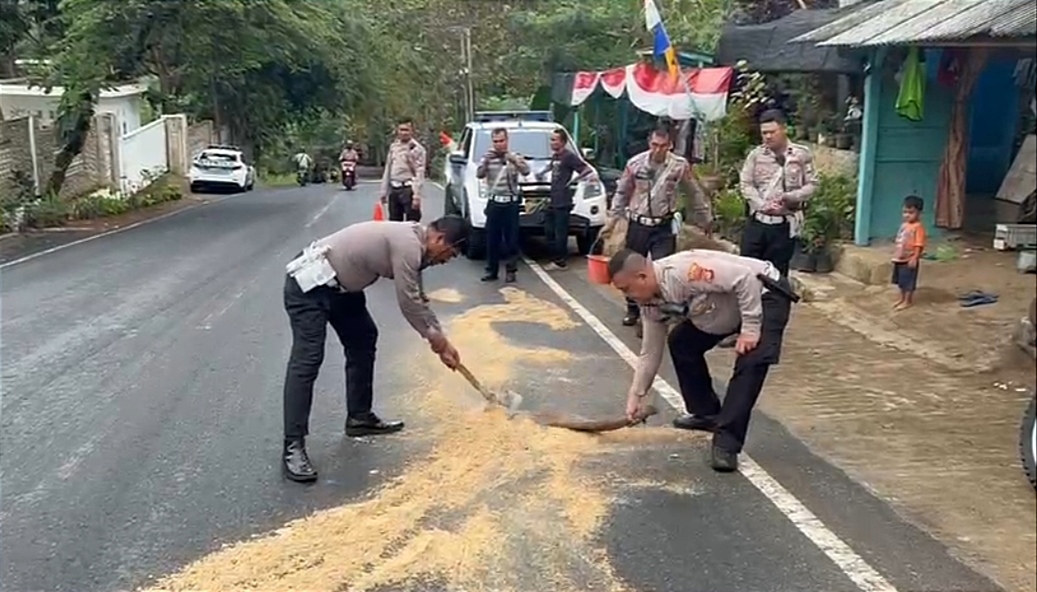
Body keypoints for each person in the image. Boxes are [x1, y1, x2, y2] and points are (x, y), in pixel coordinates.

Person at [280, 215, 470, 483]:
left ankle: (359, 417)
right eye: (450, 253)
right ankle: (293, 447)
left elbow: (419, 297)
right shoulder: (408, 245)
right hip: (310, 286)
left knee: (363, 338)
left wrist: (442, 338)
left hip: (342, 289)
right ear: (439, 239)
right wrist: (438, 344)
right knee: (308, 360)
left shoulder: (417, 244)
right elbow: (409, 303)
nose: (446, 260)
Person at [608, 248, 793, 472]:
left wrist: (751, 329)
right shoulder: (650, 303)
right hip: (723, 308)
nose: (627, 296)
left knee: (751, 361)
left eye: (627, 289)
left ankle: (727, 443)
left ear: (642, 276)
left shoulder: (684, 272)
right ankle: (706, 412)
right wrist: (636, 394)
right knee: (681, 343)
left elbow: (745, 278)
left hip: (763, 294)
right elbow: (650, 352)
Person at [605, 127, 713, 328]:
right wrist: (612, 220)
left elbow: (694, 193)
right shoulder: (635, 164)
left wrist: (705, 218)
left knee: (661, 270)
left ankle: (656, 313)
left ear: (670, 145)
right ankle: (633, 309)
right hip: (639, 224)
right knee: (630, 268)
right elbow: (622, 193)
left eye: (663, 146)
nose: (658, 150)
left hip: (663, 226)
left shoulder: (679, 166)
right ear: (649, 143)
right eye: (655, 145)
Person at [739, 109, 817, 276]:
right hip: (757, 223)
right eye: (764, 133)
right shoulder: (756, 155)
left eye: (772, 132)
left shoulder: (800, 155)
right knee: (746, 273)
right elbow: (746, 184)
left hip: (783, 225)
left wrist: (790, 197)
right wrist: (761, 205)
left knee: (777, 277)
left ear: (784, 129)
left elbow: (812, 185)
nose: (768, 137)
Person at [476, 128, 530, 283]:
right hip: (494, 202)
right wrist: (485, 161)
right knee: (492, 238)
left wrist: (512, 159)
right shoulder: (488, 158)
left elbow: (526, 171)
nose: (498, 144)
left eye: (501, 141)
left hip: (510, 203)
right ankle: (491, 270)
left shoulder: (514, 157)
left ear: (507, 141)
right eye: (495, 141)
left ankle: (511, 270)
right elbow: (479, 175)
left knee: (511, 239)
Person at [540, 128, 598, 270]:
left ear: (563, 142)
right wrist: (542, 173)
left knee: (560, 232)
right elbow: (551, 167)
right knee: (549, 230)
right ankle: (555, 257)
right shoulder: (556, 157)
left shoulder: (569, 156)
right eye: (551, 139)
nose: (552, 143)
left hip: (563, 200)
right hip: (553, 198)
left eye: (555, 140)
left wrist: (572, 181)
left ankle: (560, 261)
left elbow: (586, 169)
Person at [380, 118, 427, 223]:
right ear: (397, 131)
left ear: (412, 131)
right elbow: (388, 169)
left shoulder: (417, 149)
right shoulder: (394, 147)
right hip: (394, 188)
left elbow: (419, 172)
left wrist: (417, 196)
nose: (404, 133)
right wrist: (384, 191)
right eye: (401, 130)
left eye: (406, 130)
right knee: (394, 223)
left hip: (409, 188)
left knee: (412, 223)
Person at [891, 195, 926, 311]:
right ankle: (902, 299)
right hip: (899, 258)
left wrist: (915, 257)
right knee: (901, 281)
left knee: (909, 282)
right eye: (905, 212)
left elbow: (919, 244)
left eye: (911, 212)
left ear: (919, 213)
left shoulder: (918, 227)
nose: (907, 215)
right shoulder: (904, 225)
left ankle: (907, 301)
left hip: (909, 260)